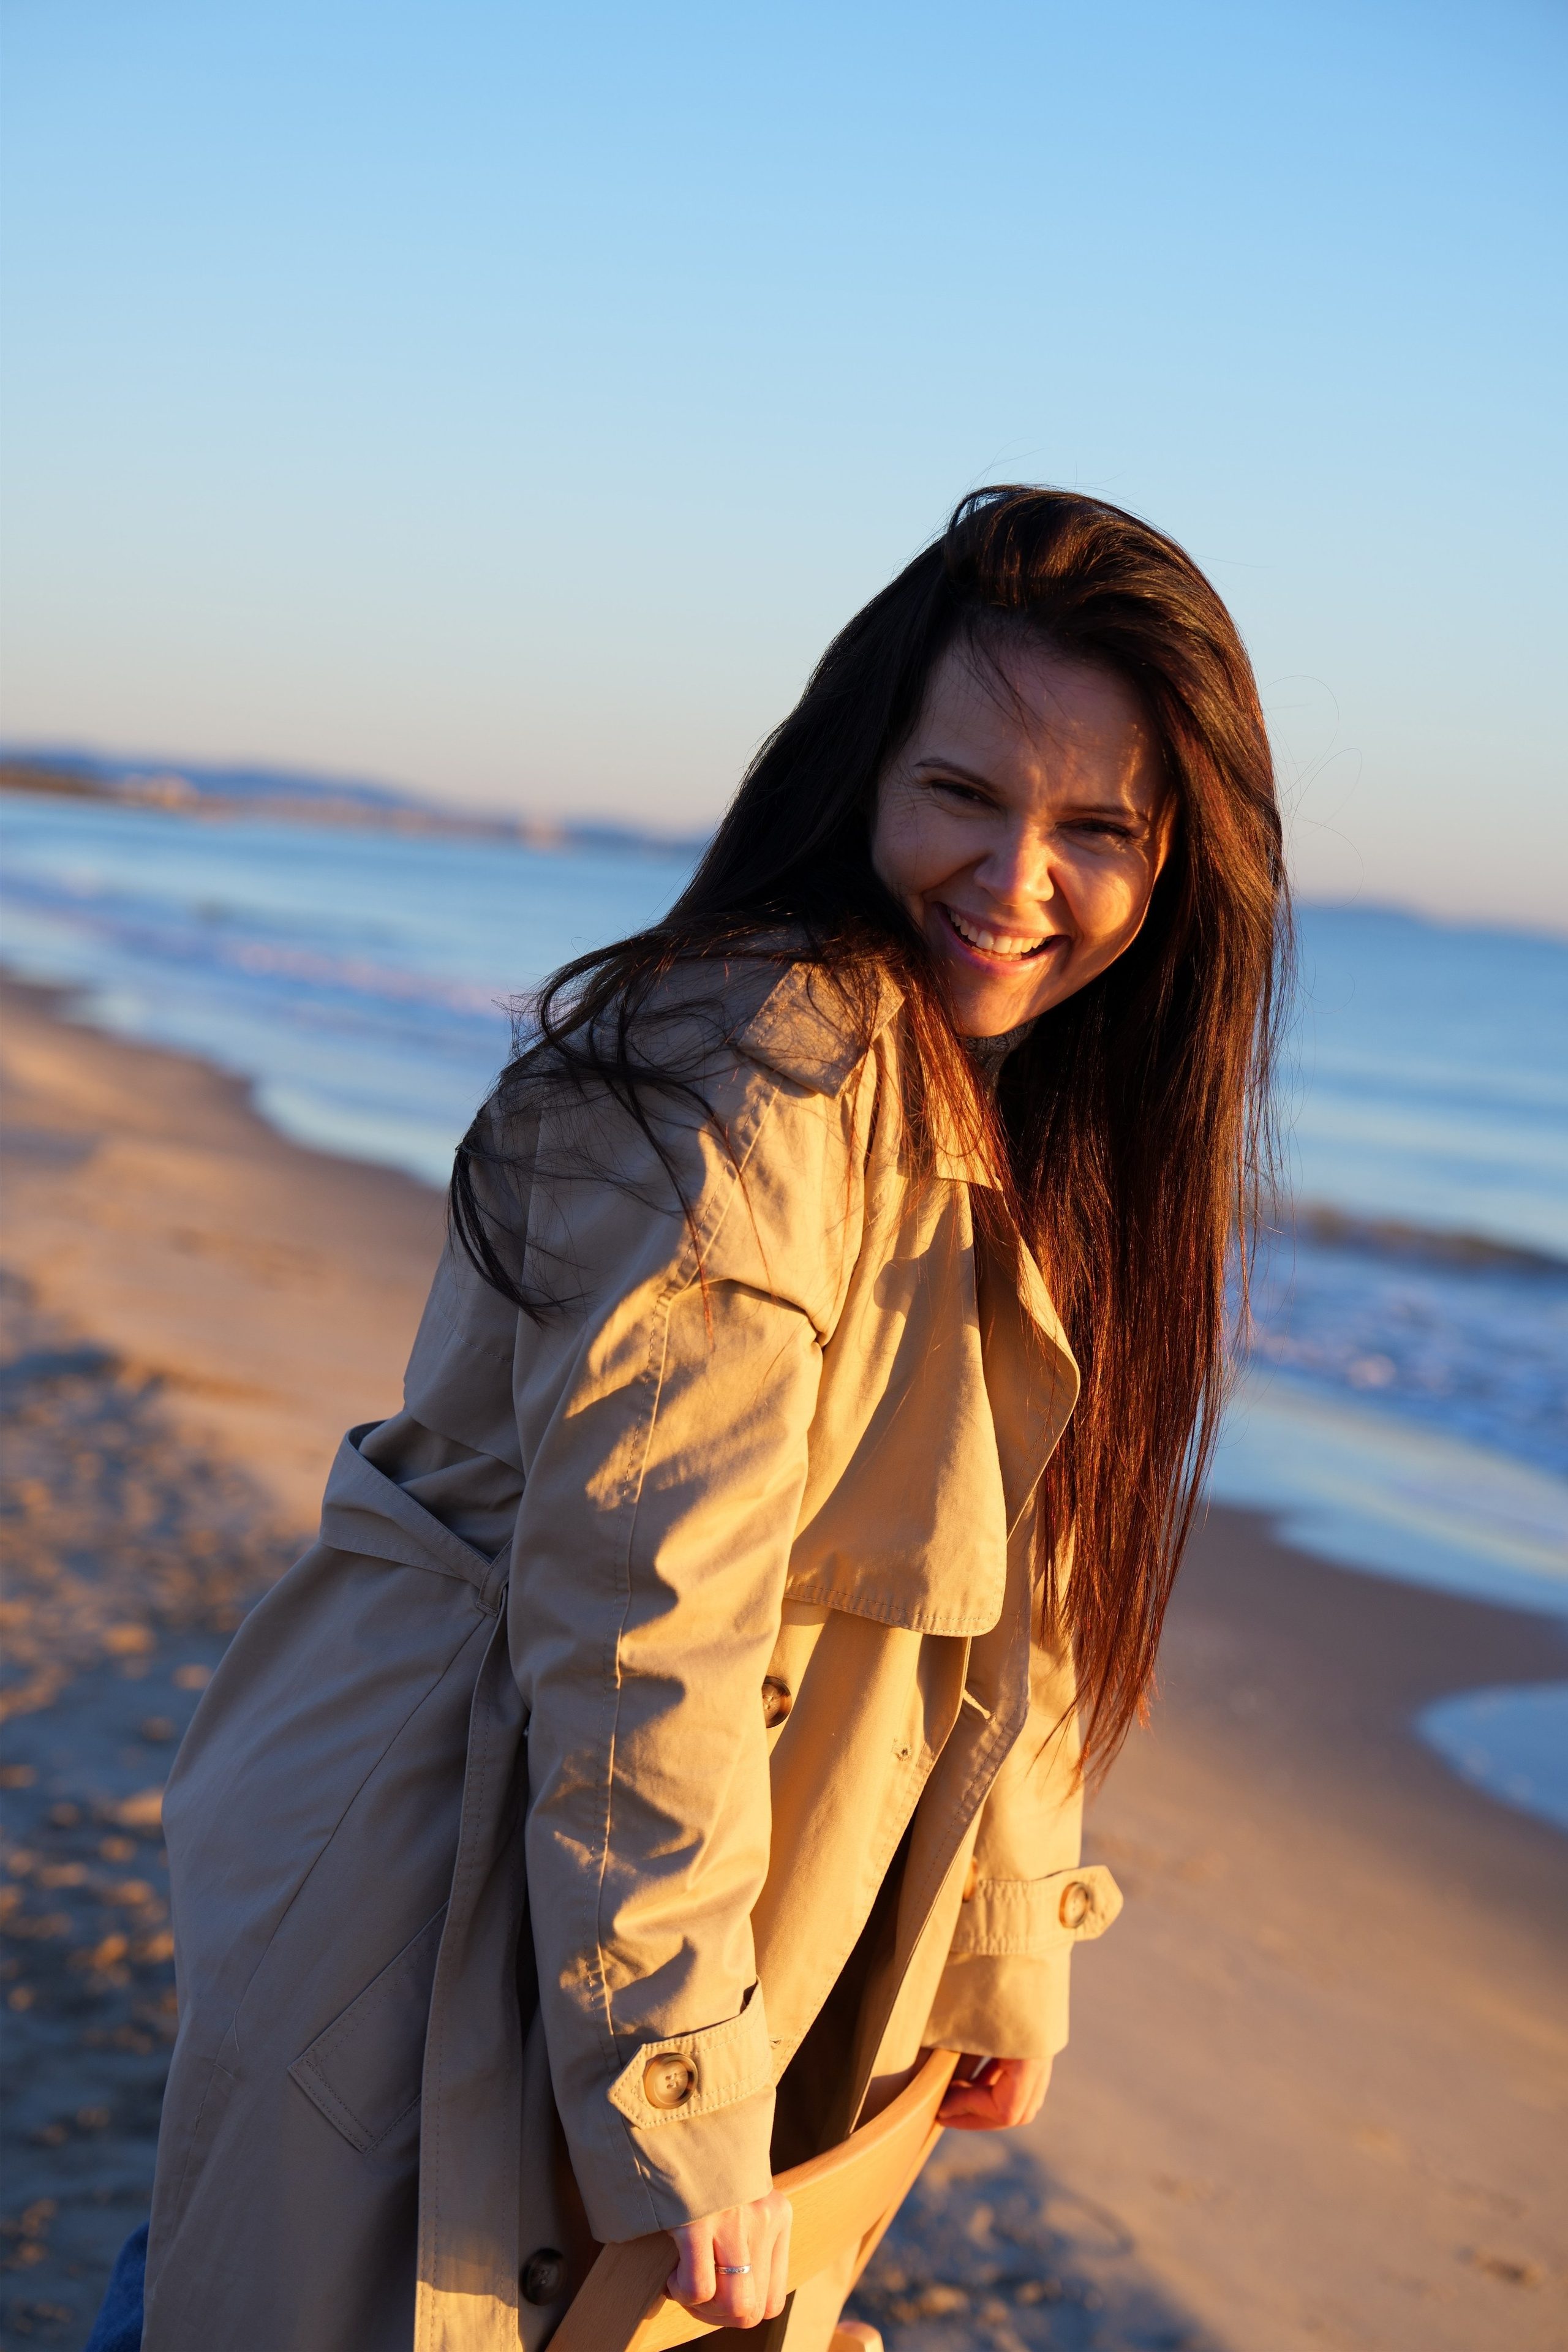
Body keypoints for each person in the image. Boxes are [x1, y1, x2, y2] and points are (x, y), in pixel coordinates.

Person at [119, 486, 1285, 2351]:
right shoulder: (759, 1075)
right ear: (860, 776)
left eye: (1097, 830)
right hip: (449, 1889)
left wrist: (1000, 1956)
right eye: (965, 797)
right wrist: (683, 2088)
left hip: (635, 1888)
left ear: (1182, 864)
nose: (1019, 880)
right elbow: (643, 1615)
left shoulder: (1015, 1110)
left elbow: (1029, 1579)